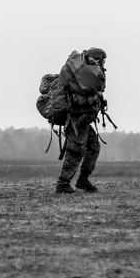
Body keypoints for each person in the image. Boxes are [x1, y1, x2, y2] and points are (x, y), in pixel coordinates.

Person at [56, 47, 107, 194]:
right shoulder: (79, 81)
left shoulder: (86, 79)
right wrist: (94, 98)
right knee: (75, 151)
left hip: (83, 121)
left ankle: (83, 180)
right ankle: (63, 184)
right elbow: (76, 100)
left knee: (94, 147)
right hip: (76, 121)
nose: (103, 64)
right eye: (102, 61)